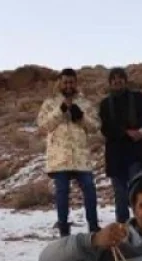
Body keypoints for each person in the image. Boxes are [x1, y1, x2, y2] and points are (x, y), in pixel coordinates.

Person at [35, 68, 102, 236]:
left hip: (81, 156)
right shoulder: (50, 103)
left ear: (76, 83)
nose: (68, 85)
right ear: (59, 83)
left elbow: (95, 126)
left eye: (71, 82)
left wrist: (81, 117)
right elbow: (43, 125)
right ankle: (64, 229)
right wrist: (61, 110)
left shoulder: (85, 103)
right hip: (60, 157)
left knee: (89, 189)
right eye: (65, 82)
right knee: (62, 193)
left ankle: (94, 227)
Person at [98, 68, 142, 224]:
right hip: (115, 155)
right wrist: (126, 132)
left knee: (138, 191)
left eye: (120, 78)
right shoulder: (105, 104)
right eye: (114, 79)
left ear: (125, 81)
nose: (117, 81)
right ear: (110, 83)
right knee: (120, 194)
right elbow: (105, 128)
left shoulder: (137, 98)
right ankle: (122, 227)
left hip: (136, 153)